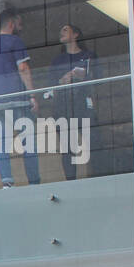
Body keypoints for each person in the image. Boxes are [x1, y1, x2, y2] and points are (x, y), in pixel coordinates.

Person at [0, 6, 40, 187]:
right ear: (11, 23)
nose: (20, 26)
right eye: (18, 23)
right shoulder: (16, 42)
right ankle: (34, 181)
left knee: (2, 143)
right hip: (18, 100)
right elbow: (23, 69)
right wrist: (32, 95)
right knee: (27, 141)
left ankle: (6, 181)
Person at [48, 23, 98, 180]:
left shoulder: (88, 56)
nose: (61, 32)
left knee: (92, 142)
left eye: (65, 30)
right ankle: (70, 181)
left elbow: (98, 78)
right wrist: (62, 80)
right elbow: (50, 87)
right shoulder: (57, 61)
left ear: (75, 34)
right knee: (67, 146)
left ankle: (98, 176)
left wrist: (82, 76)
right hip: (63, 107)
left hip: (83, 104)